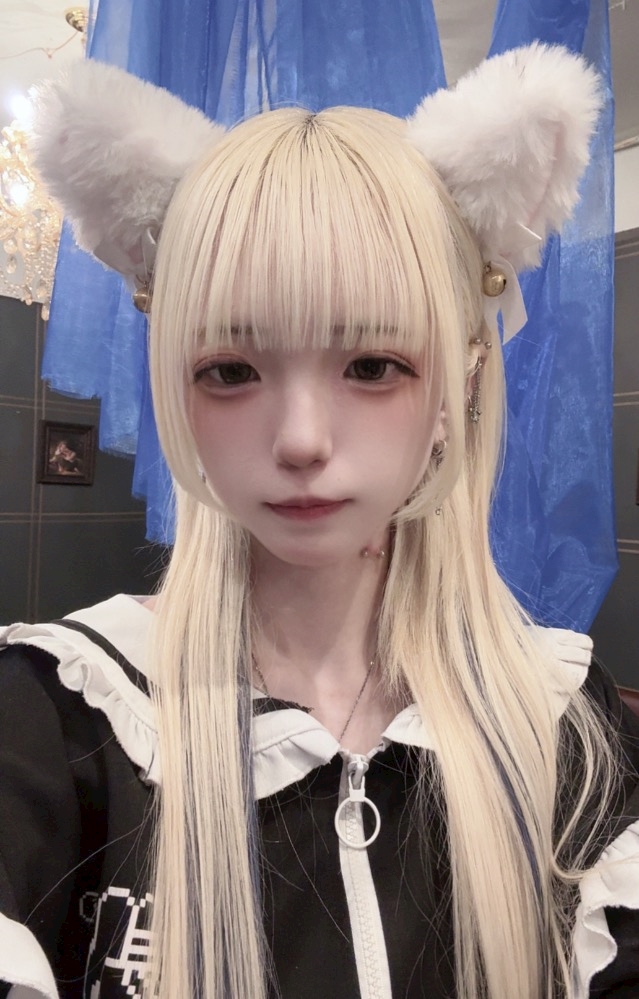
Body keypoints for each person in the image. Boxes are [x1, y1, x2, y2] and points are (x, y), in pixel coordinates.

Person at [1, 43, 638, 999]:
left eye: (372, 366)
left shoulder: (562, 723)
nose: (300, 438)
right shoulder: (61, 718)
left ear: (458, 382)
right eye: (230, 370)